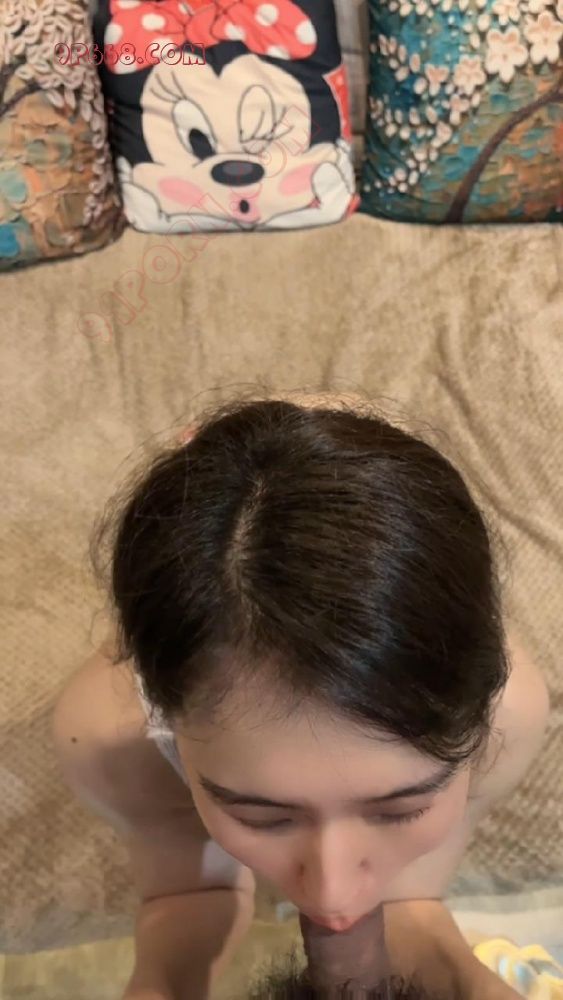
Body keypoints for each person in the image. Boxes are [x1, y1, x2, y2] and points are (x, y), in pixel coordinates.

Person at [51, 392, 549, 1000]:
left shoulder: (510, 712)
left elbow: (412, 899)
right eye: (263, 816)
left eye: (399, 809)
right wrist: (160, 983)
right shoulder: (104, 734)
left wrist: (473, 981)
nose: (332, 894)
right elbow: (186, 892)